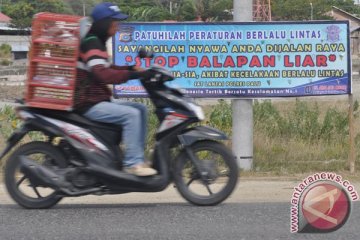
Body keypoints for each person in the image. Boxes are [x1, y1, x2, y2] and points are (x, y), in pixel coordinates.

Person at [74, 2, 157, 176]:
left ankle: (138, 158)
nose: (117, 25)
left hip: (97, 100)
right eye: (114, 22)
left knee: (140, 108)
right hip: (88, 103)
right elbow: (102, 74)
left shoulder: (98, 42)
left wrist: (131, 69)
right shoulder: (91, 42)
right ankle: (132, 164)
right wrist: (133, 75)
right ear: (104, 23)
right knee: (131, 114)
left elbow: (108, 67)